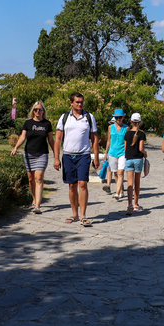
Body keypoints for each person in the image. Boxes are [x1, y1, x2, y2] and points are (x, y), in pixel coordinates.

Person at [54, 92, 99, 226]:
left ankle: (83, 215)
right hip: (68, 155)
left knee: (82, 184)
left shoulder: (89, 117)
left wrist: (96, 157)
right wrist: (56, 158)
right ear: (71, 103)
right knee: (72, 185)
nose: (80, 104)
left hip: (84, 155)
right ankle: (74, 213)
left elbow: (94, 139)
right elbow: (57, 139)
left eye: (81, 102)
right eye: (77, 102)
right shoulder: (64, 117)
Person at [11, 101, 54, 214]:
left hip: (42, 154)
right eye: (36, 109)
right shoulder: (28, 123)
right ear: (33, 111)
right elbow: (22, 137)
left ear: (43, 111)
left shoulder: (47, 124)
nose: (38, 111)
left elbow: (50, 140)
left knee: (39, 178)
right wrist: (16, 147)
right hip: (29, 153)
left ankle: (38, 206)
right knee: (31, 179)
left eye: (40, 109)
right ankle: (34, 199)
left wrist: (55, 153)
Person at [124, 112, 147, 215]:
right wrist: (145, 153)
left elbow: (125, 148)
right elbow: (141, 148)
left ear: (131, 121)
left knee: (129, 183)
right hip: (138, 159)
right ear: (140, 122)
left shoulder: (127, 133)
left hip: (128, 159)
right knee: (137, 183)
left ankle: (129, 204)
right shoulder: (141, 134)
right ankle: (136, 204)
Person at [102, 108, 127, 199]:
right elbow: (109, 141)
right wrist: (106, 153)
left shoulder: (126, 128)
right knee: (115, 173)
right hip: (112, 153)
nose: (118, 119)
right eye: (116, 117)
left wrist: (127, 152)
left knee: (120, 172)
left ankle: (117, 193)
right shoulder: (110, 127)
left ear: (123, 117)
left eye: (120, 117)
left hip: (122, 153)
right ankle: (121, 191)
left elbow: (126, 141)